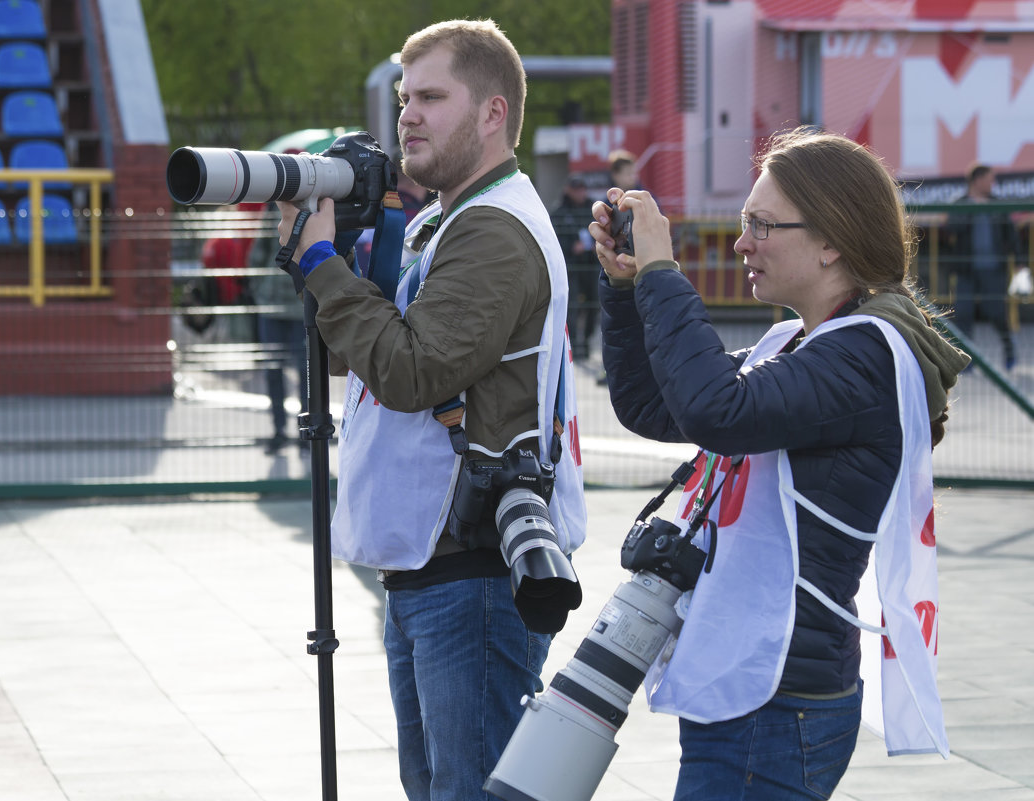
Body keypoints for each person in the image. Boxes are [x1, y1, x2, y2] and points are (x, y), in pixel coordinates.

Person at [589, 127, 967, 800]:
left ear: (831, 242)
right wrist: (624, 292)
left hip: (775, 699)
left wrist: (661, 271)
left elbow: (716, 412)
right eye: (744, 224)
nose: (742, 244)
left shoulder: (865, 356)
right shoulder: (800, 341)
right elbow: (656, 404)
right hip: (757, 690)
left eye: (762, 225)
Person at [274, 19, 586, 801]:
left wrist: (320, 263)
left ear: (493, 113)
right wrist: (329, 265)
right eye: (405, 97)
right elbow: (369, 359)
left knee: (469, 792)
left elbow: (411, 370)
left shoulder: (494, 229)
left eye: (432, 97)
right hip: (433, 566)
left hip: (471, 574)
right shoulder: (446, 220)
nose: (407, 114)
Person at [943, 163, 1021, 369]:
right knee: (964, 314)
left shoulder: (997, 204)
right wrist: (971, 209)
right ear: (976, 181)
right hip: (966, 270)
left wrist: (1021, 263)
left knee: (996, 313)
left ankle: (1009, 350)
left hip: (993, 269)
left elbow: (1012, 237)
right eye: (989, 179)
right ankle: (967, 360)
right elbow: (952, 227)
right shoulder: (959, 204)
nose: (992, 184)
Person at [247, 209, 307, 454]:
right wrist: (260, 290)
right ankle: (279, 431)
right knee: (273, 371)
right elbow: (257, 254)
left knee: (307, 373)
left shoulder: (312, 209)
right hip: (271, 307)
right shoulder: (272, 211)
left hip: (301, 307)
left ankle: (307, 432)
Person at [550, 174, 597, 360]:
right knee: (572, 308)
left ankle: (585, 342)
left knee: (594, 305)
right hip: (570, 268)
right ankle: (574, 345)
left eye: (582, 189)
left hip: (591, 265)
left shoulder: (592, 209)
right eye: (576, 189)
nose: (580, 193)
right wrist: (571, 247)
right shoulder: (559, 212)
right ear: (568, 190)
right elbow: (554, 241)